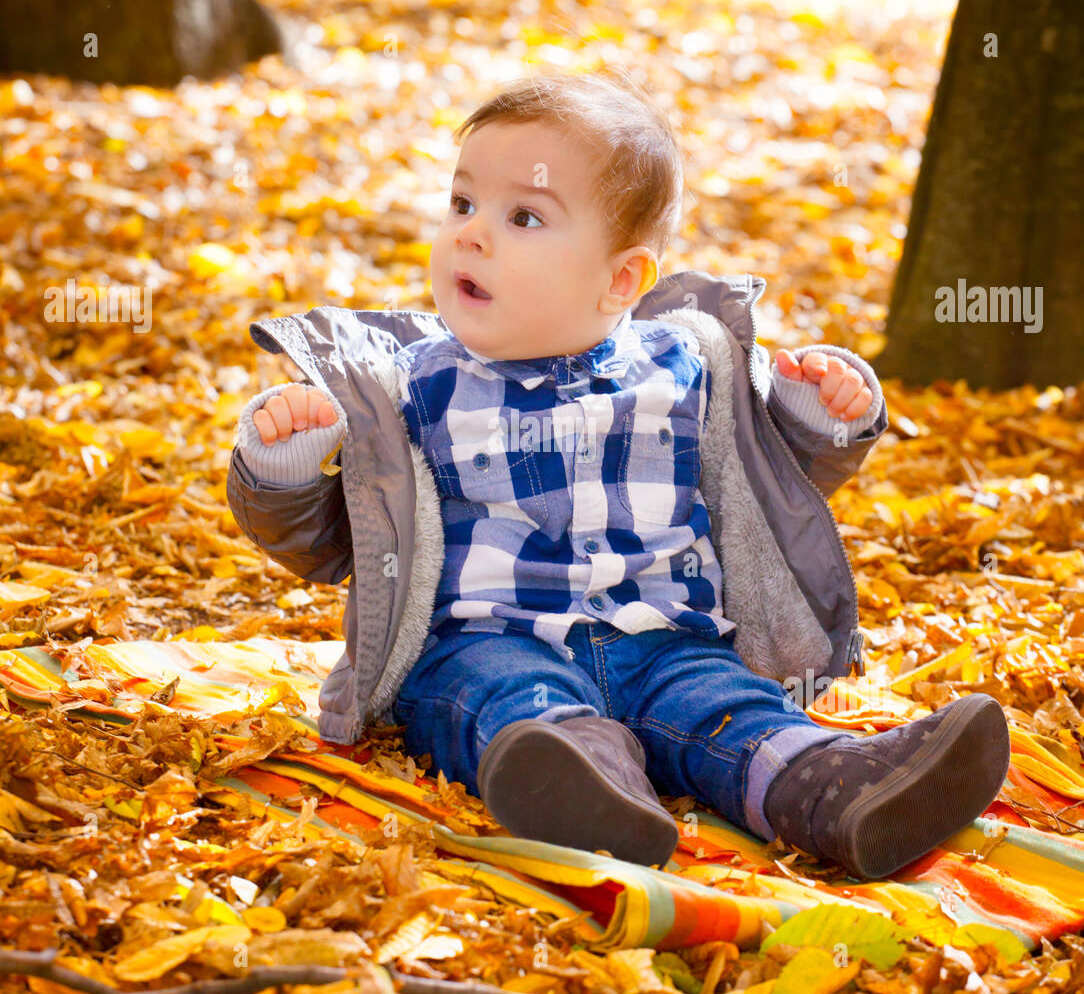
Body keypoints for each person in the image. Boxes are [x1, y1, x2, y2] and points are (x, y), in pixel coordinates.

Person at [229, 70, 1010, 879]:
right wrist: (283, 465)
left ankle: (829, 788)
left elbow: (775, 481)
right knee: (503, 704)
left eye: (522, 216)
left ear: (621, 280)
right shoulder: (407, 388)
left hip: (668, 639)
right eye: (462, 204)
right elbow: (327, 540)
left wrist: (826, 416)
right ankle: (583, 788)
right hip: (488, 641)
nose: (471, 234)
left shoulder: (688, 365)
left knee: (729, 710)